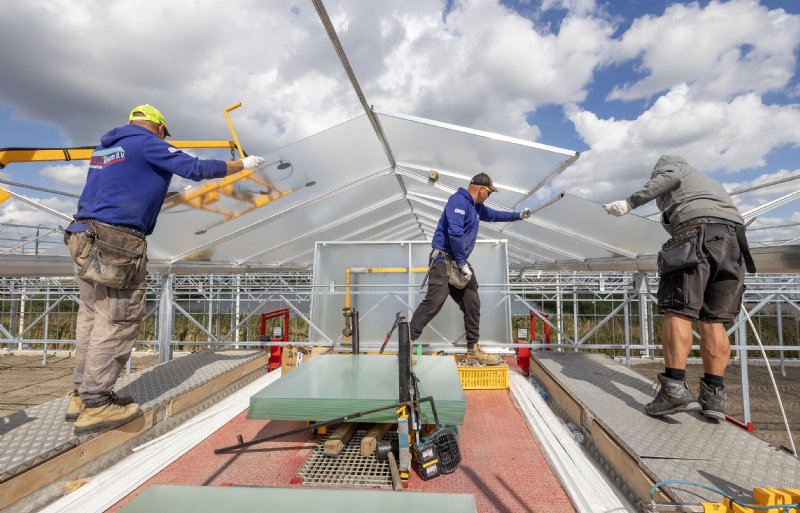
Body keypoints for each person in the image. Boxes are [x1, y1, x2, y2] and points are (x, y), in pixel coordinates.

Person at [64, 104, 266, 435]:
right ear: (159, 128)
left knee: (91, 316)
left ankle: (80, 394)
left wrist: (171, 193)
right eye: (163, 134)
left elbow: (126, 186)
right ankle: (96, 403)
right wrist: (242, 165)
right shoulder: (146, 141)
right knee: (117, 320)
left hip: (83, 234)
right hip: (116, 241)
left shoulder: (106, 150)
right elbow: (196, 168)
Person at [604, 155, 755, 420]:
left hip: (697, 235)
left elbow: (669, 177)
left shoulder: (674, 168)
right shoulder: (707, 183)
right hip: (733, 243)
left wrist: (629, 203)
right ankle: (714, 396)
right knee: (714, 319)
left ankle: (673, 389)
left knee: (678, 308)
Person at [409, 173, 532, 365]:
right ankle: (406, 343)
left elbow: (494, 215)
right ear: (481, 189)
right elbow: (455, 233)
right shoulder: (458, 201)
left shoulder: (476, 207)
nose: (489, 196)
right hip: (443, 261)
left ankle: (473, 349)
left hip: (459, 261)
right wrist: (462, 262)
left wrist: (518, 216)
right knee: (434, 302)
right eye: (489, 192)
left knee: (472, 302)